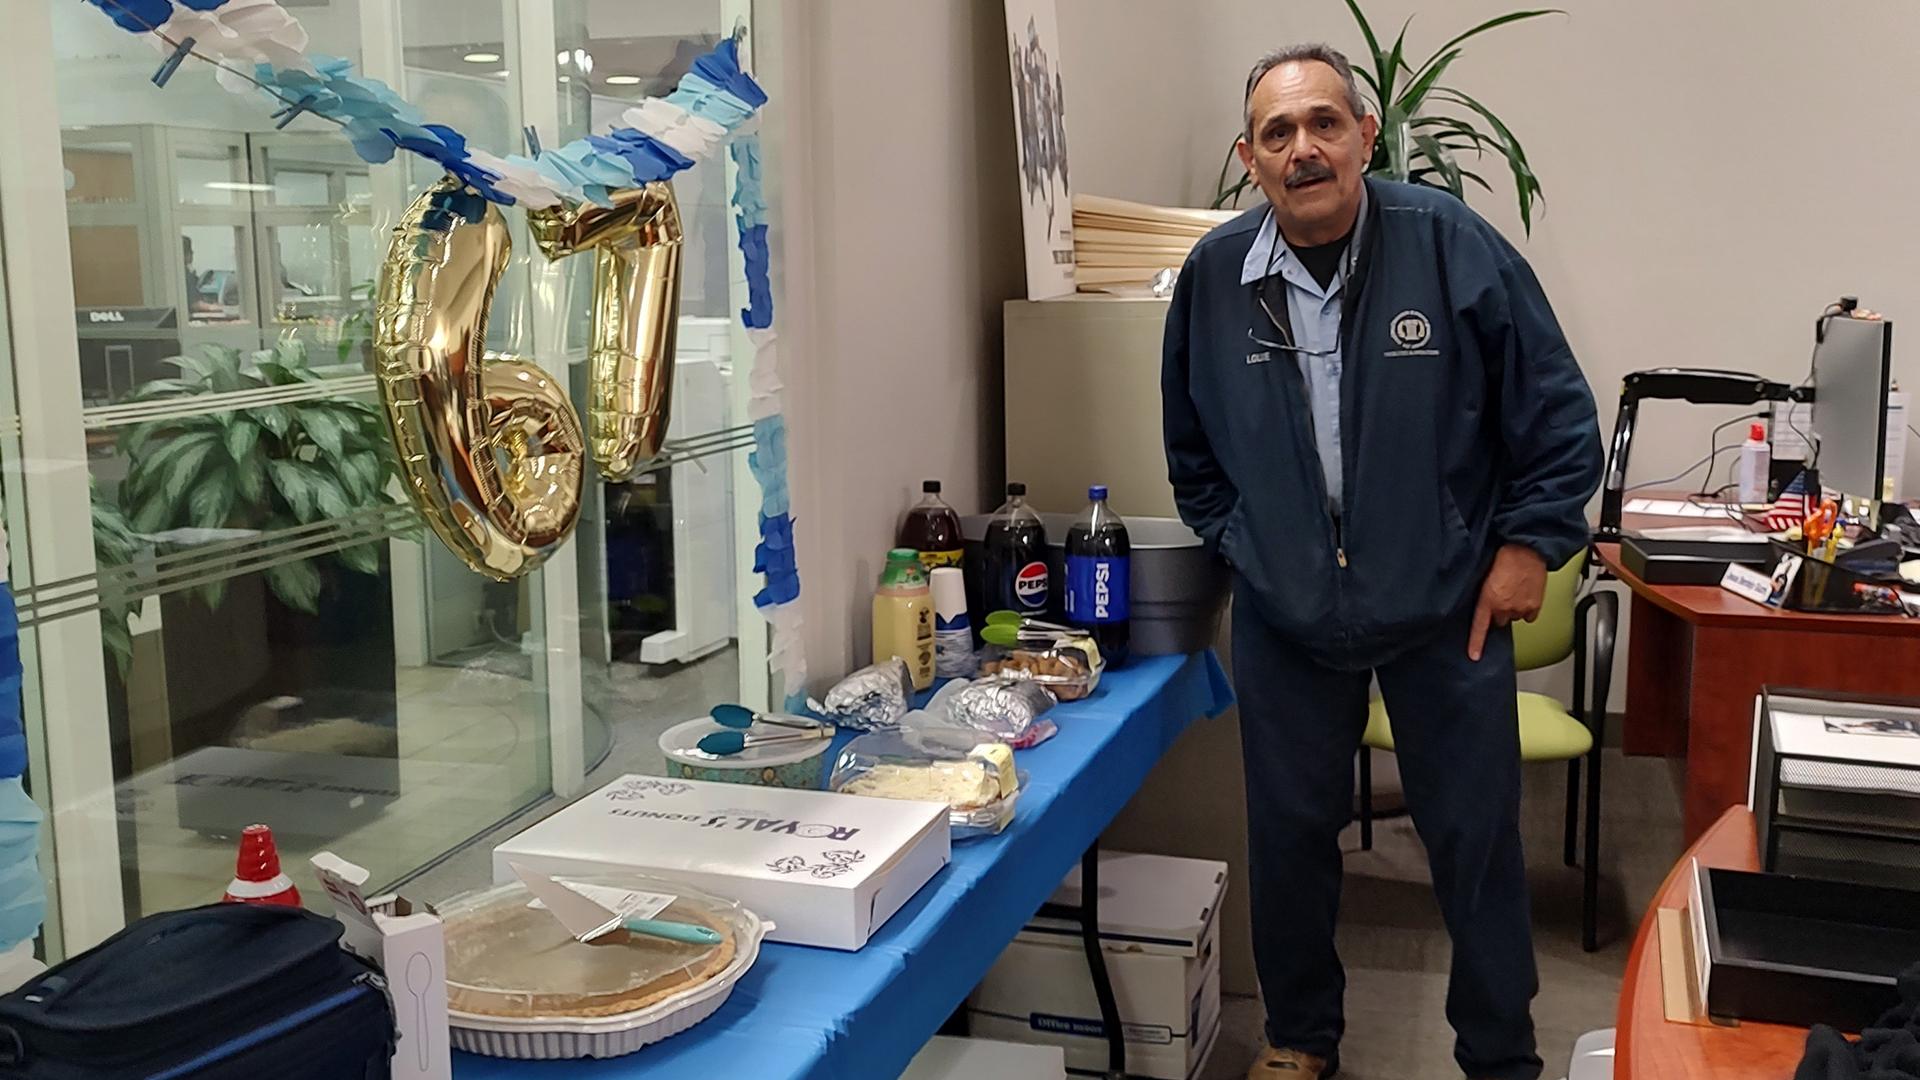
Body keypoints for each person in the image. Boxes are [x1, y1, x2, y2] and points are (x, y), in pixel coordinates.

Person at [1160, 44, 1602, 1080]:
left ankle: (1500, 1056)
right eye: (1277, 133)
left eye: (1324, 123)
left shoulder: (1449, 244)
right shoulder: (1216, 277)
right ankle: (1299, 1038)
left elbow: (1558, 415)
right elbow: (1190, 453)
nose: (1303, 149)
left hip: (1447, 607)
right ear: (1250, 159)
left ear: (1366, 135)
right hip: (1288, 618)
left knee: (1476, 846)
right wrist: (1251, 547)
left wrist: (1528, 547)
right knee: (1289, 839)